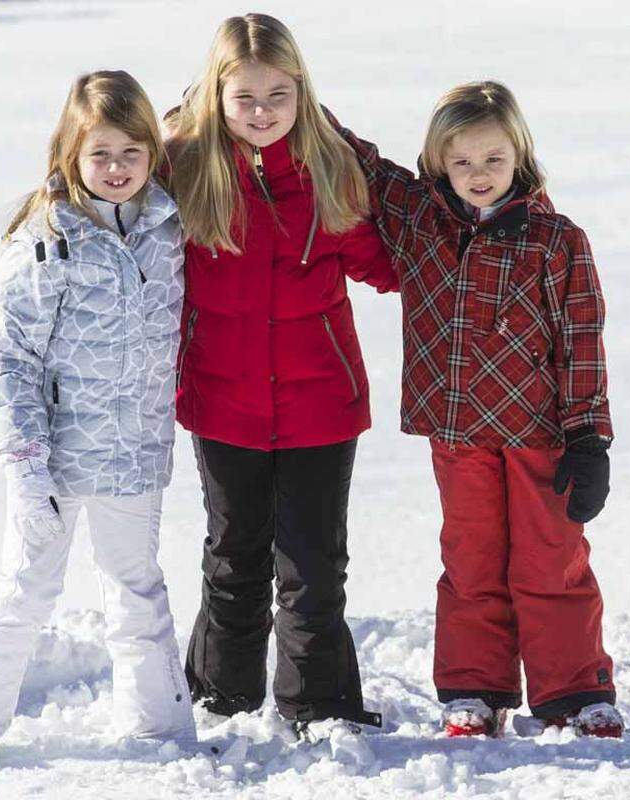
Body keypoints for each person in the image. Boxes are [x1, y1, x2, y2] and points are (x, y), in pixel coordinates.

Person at [0, 71, 195, 773]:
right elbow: (5, 356)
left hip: (132, 453)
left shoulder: (169, 226)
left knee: (137, 590)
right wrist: (23, 458)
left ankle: (159, 728)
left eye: (132, 152)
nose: (117, 168)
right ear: (70, 153)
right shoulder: (48, 239)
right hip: (53, 460)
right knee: (27, 584)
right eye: (100, 153)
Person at [330, 81, 623, 738]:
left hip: (540, 435)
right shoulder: (419, 219)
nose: (478, 175)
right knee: (470, 559)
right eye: (461, 162)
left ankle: (574, 692)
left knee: (553, 559)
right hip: (458, 432)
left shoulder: (556, 240)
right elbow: (360, 161)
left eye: (493, 159)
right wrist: (280, 101)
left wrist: (589, 439)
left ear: (519, 155)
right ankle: (475, 690)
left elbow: (580, 342)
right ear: (438, 164)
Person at [165, 13, 397, 734]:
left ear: (302, 93)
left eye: (277, 96)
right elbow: (106, 199)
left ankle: (319, 708)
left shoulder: (329, 171)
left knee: (313, 570)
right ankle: (219, 701)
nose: (261, 113)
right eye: (244, 99)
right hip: (222, 400)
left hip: (320, 403)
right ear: (215, 96)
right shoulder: (184, 170)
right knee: (233, 560)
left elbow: (387, 266)